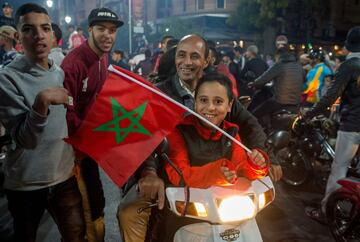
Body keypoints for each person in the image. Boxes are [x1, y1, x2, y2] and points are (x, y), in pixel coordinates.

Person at [117, 34, 280, 242]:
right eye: (181, 55)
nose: (187, 62)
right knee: (129, 213)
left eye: (194, 57)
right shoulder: (159, 94)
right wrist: (149, 172)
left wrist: (265, 158)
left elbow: (249, 124)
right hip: (169, 172)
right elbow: (146, 135)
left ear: (206, 61)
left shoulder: (216, 87)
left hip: (216, 180)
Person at [0, 3, 86, 241]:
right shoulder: (6, 79)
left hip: (64, 177)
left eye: (45, 28)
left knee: (76, 236)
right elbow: (25, 139)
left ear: (52, 34)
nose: (38, 35)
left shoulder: (59, 72)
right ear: (18, 37)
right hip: (26, 183)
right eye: (29, 29)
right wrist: (42, 101)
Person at [61, 7, 123, 242]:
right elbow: (65, 112)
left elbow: (99, 99)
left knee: (97, 202)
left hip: (88, 147)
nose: (108, 35)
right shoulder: (74, 63)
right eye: (101, 29)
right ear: (90, 30)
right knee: (85, 209)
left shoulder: (102, 58)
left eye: (112, 30)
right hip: (72, 152)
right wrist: (88, 137)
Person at [166, 72, 269, 188]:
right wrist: (218, 174)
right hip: (188, 201)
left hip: (224, 201)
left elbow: (240, 169)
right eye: (204, 100)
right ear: (195, 103)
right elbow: (178, 175)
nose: (210, 108)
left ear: (229, 106)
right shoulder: (180, 130)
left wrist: (255, 165)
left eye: (218, 102)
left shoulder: (231, 132)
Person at [303, 26, 360, 223]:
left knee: (339, 168)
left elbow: (330, 96)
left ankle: (327, 211)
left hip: (352, 125)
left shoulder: (350, 65)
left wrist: (310, 114)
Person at [248, 47, 304, 130]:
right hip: (296, 103)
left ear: (278, 56)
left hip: (280, 101)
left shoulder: (280, 65)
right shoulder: (299, 66)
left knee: (254, 115)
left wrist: (252, 84)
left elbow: (263, 79)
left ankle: (259, 134)